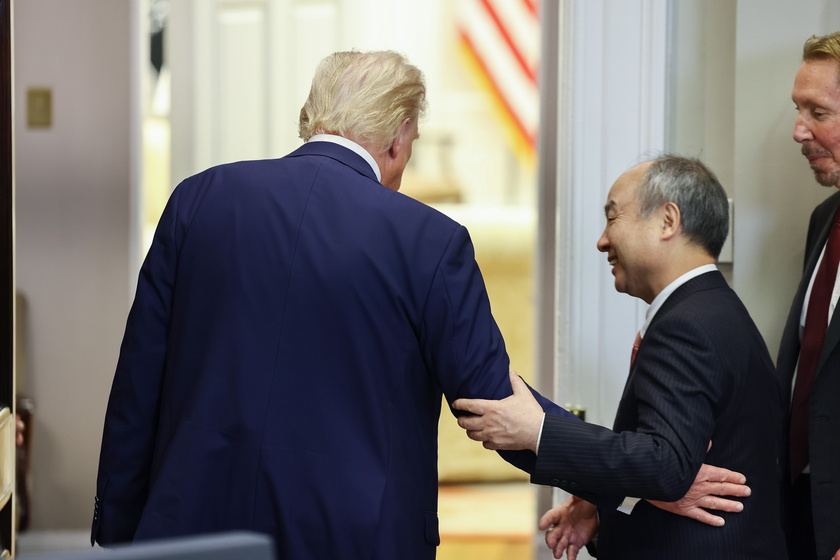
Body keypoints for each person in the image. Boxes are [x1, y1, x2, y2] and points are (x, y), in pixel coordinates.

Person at [90, 50, 576, 560]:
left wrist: (120, 526)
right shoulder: (431, 240)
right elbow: (493, 401)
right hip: (356, 537)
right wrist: (606, 472)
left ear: (310, 116)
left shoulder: (197, 199)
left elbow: (138, 379)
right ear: (398, 136)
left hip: (192, 526)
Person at [454, 156, 787, 559]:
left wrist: (538, 430)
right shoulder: (713, 310)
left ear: (668, 221)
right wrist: (607, 504)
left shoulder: (688, 325)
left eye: (613, 218)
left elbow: (666, 467)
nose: (602, 240)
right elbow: (674, 465)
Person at [783, 30, 840, 560]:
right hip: (803, 510)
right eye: (798, 110)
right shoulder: (824, 220)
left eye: (817, 112)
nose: (799, 131)